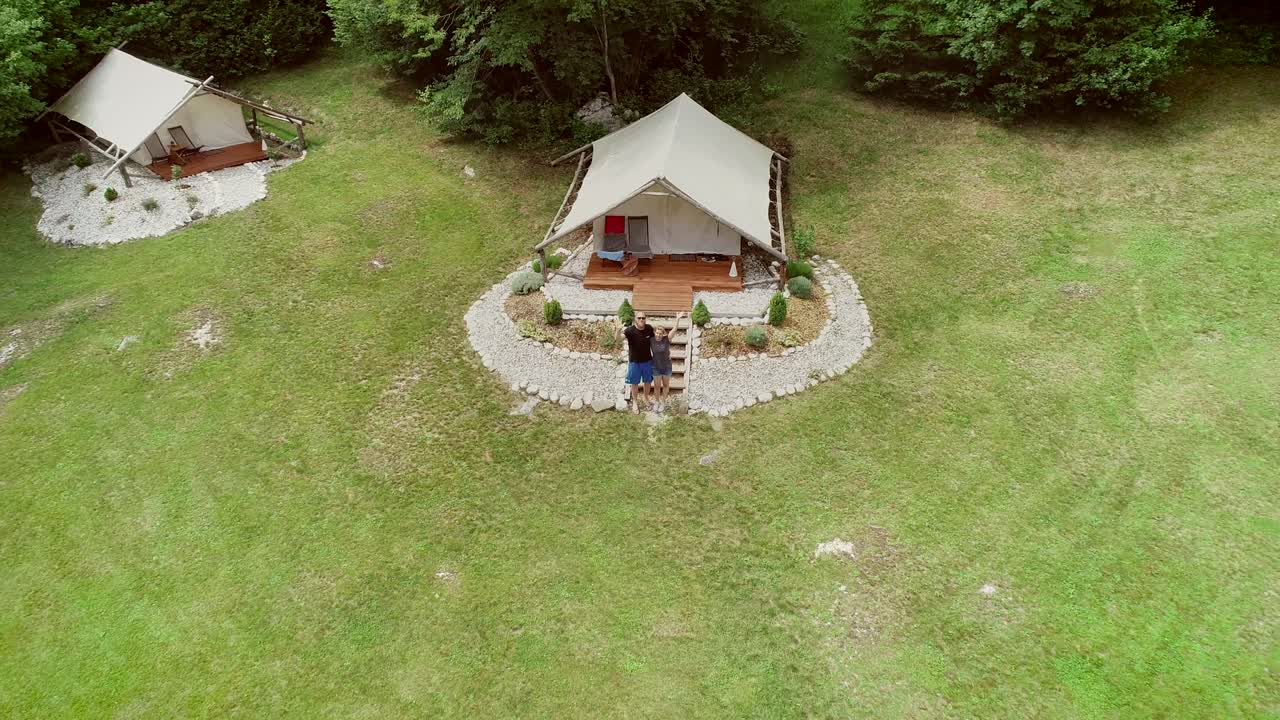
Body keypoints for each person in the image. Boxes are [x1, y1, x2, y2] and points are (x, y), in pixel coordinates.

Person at [615, 310, 654, 414]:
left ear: (645, 319)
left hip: (647, 362)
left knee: (648, 382)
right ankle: (635, 402)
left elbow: (655, 342)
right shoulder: (630, 330)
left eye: (643, 318)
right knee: (634, 383)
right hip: (634, 362)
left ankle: (646, 398)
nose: (641, 320)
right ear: (635, 319)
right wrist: (618, 330)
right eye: (639, 318)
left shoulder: (649, 329)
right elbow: (618, 339)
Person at [650, 312, 682, 412]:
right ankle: (656, 402)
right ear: (654, 332)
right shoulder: (651, 340)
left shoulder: (666, 339)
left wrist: (677, 319)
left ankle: (663, 402)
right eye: (657, 333)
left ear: (663, 333)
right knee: (656, 386)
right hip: (655, 366)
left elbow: (674, 330)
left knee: (666, 385)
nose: (658, 335)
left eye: (660, 333)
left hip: (667, 366)